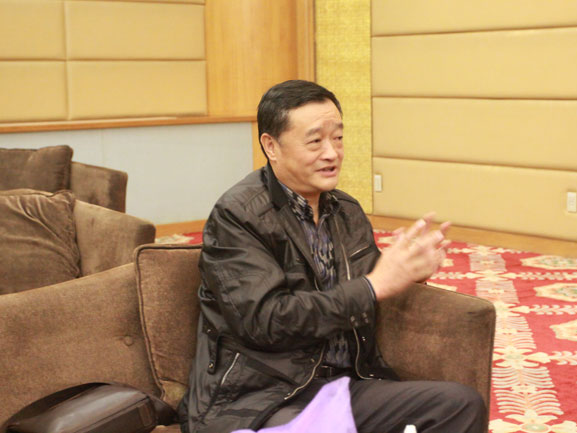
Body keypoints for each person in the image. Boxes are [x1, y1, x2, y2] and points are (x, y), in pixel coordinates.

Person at [178, 80, 486, 433]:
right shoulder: (237, 216)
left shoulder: (346, 211)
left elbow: (368, 283)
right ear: (271, 146)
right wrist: (373, 286)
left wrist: (409, 271)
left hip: (346, 382)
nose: (332, 153)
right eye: (315, 141)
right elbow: (266, 322)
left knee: (460, 405)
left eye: (337, 138)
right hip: (263, 395)